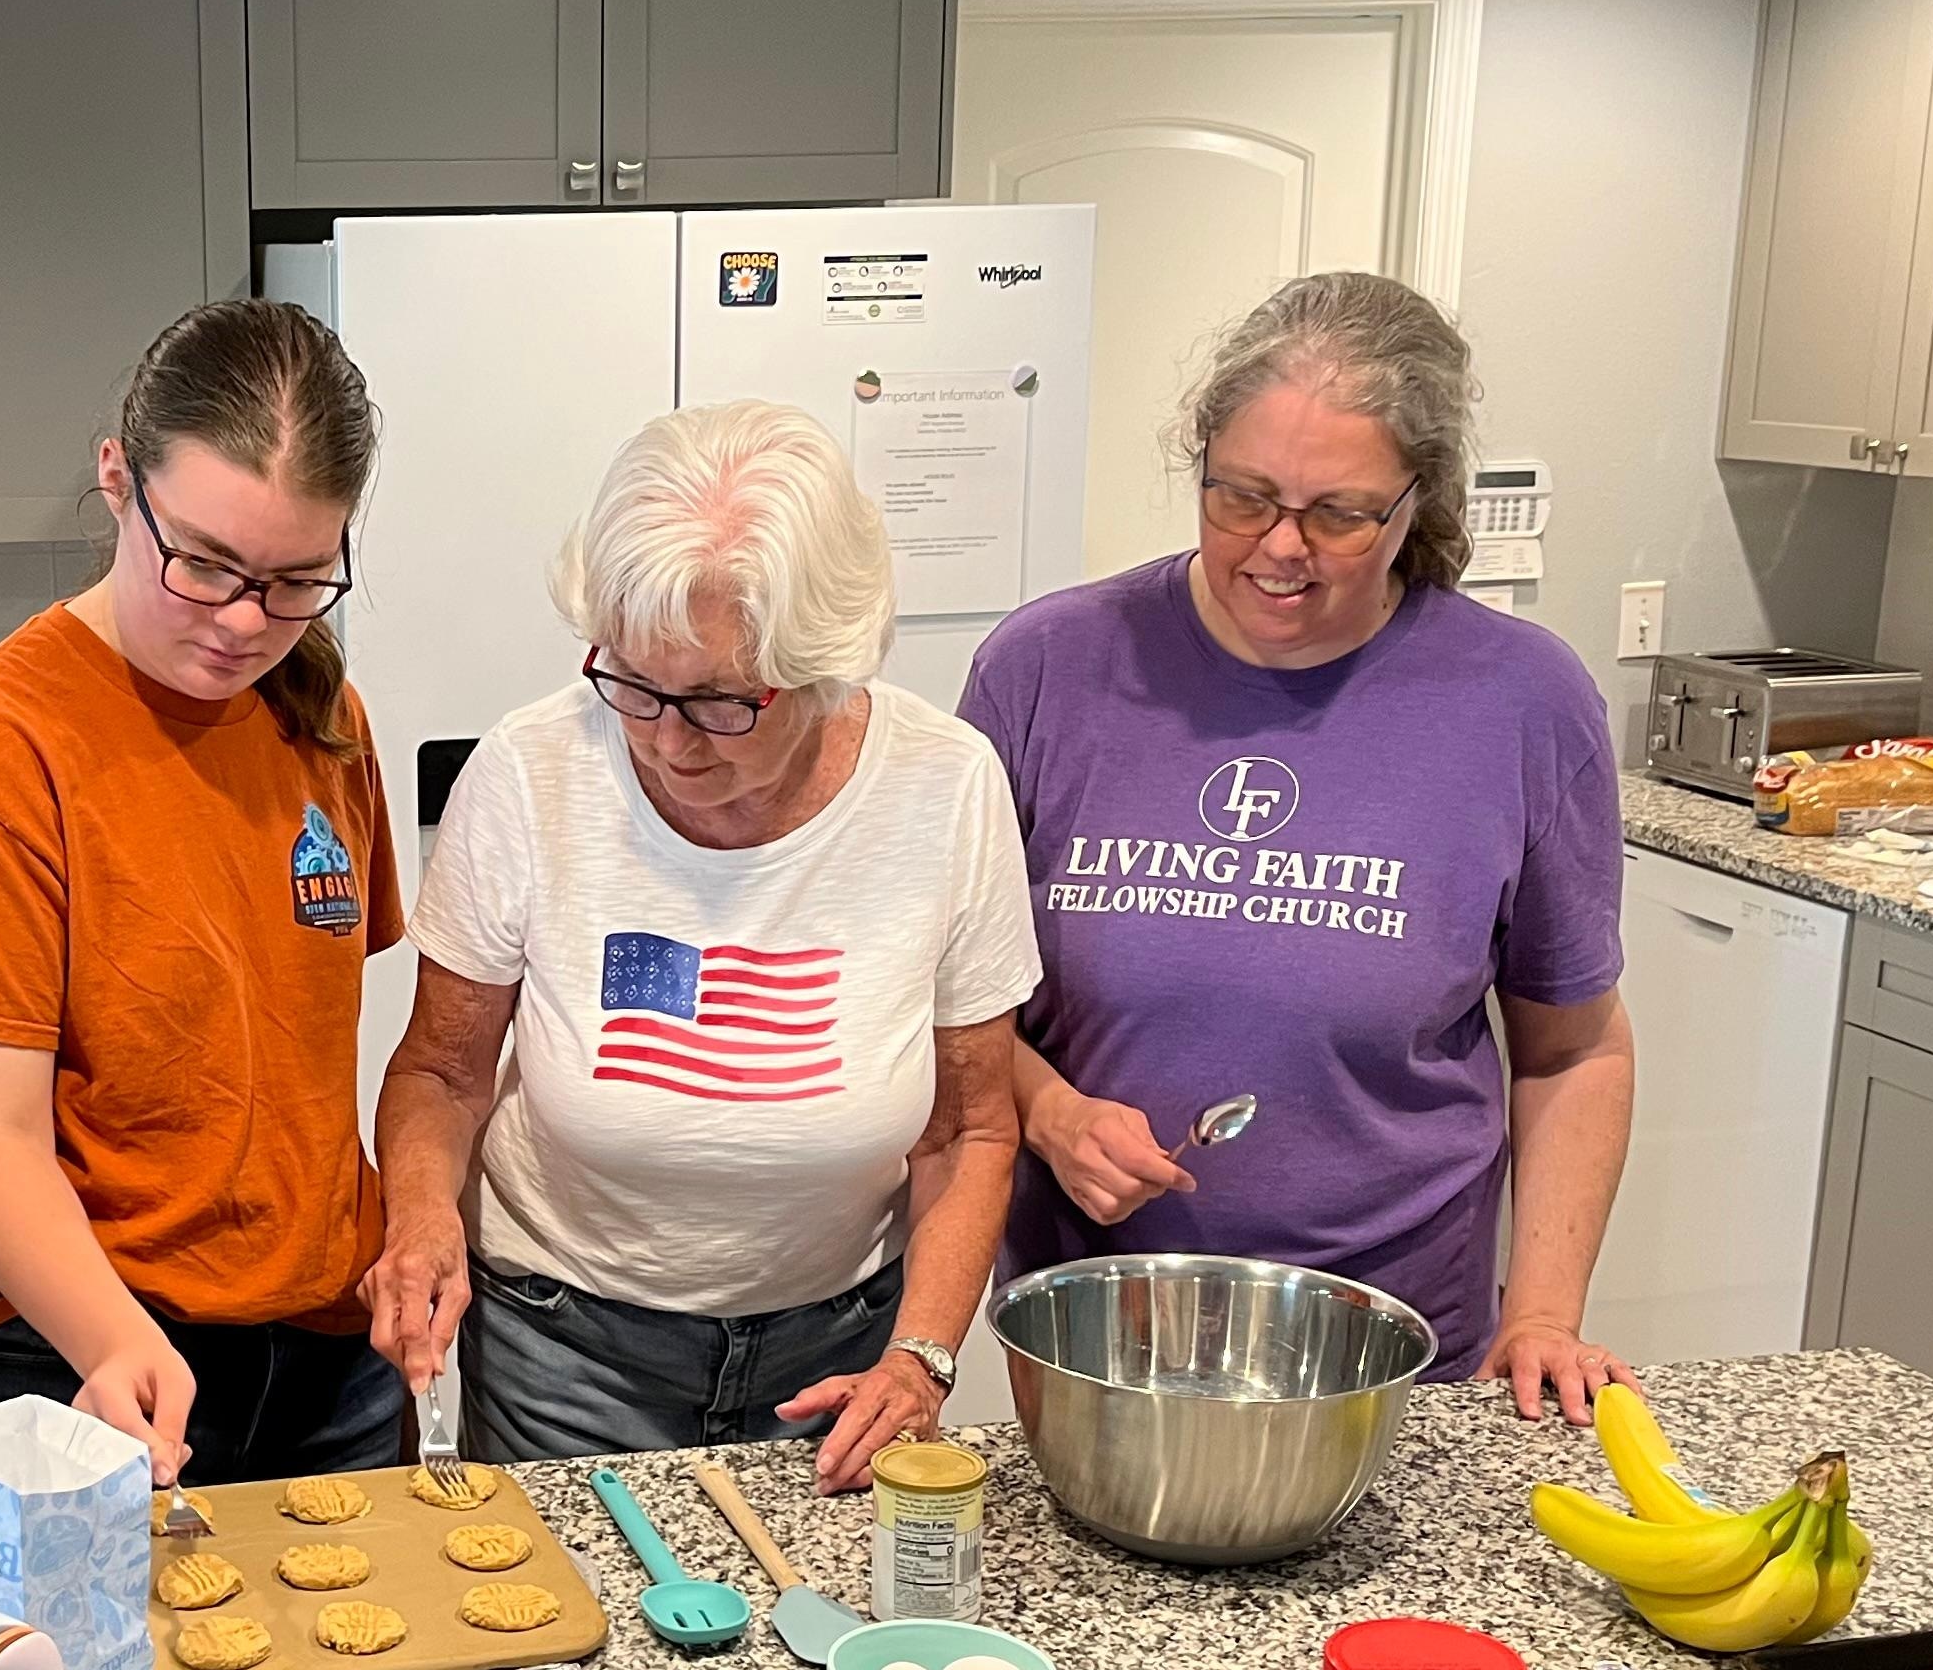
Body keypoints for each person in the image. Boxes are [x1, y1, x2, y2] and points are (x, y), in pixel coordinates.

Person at [956, 271, 1633, 1418]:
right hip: (1097, 1319)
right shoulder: (1047, 669)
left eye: (1339, 514)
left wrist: (1543, 1313)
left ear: (1419, 502)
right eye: (1241, 499)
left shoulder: (1522, 701)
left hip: (1390, 1338)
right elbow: (946, 1003)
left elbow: (1574, 1052)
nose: (1281, 548)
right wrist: (1056, 1113)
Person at [371, 401, 1037, 1492]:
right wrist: (419, 1223)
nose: (668, 741)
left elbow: (968, 1131)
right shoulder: (532, 771)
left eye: (723, 700)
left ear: (823, 672)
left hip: (838, 1354)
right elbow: (444, 1071)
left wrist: (920, 1357)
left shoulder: (945, 787)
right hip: (562, 1345)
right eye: (631, 683)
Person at [0, 301, 406, 1486]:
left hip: (325, 1352)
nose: (244, 622)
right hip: (68, 1349)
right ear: (118, 479)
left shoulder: (322, 718)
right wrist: (113, 1338)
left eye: (298, 579)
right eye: (204, 565)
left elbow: (287, 1061)